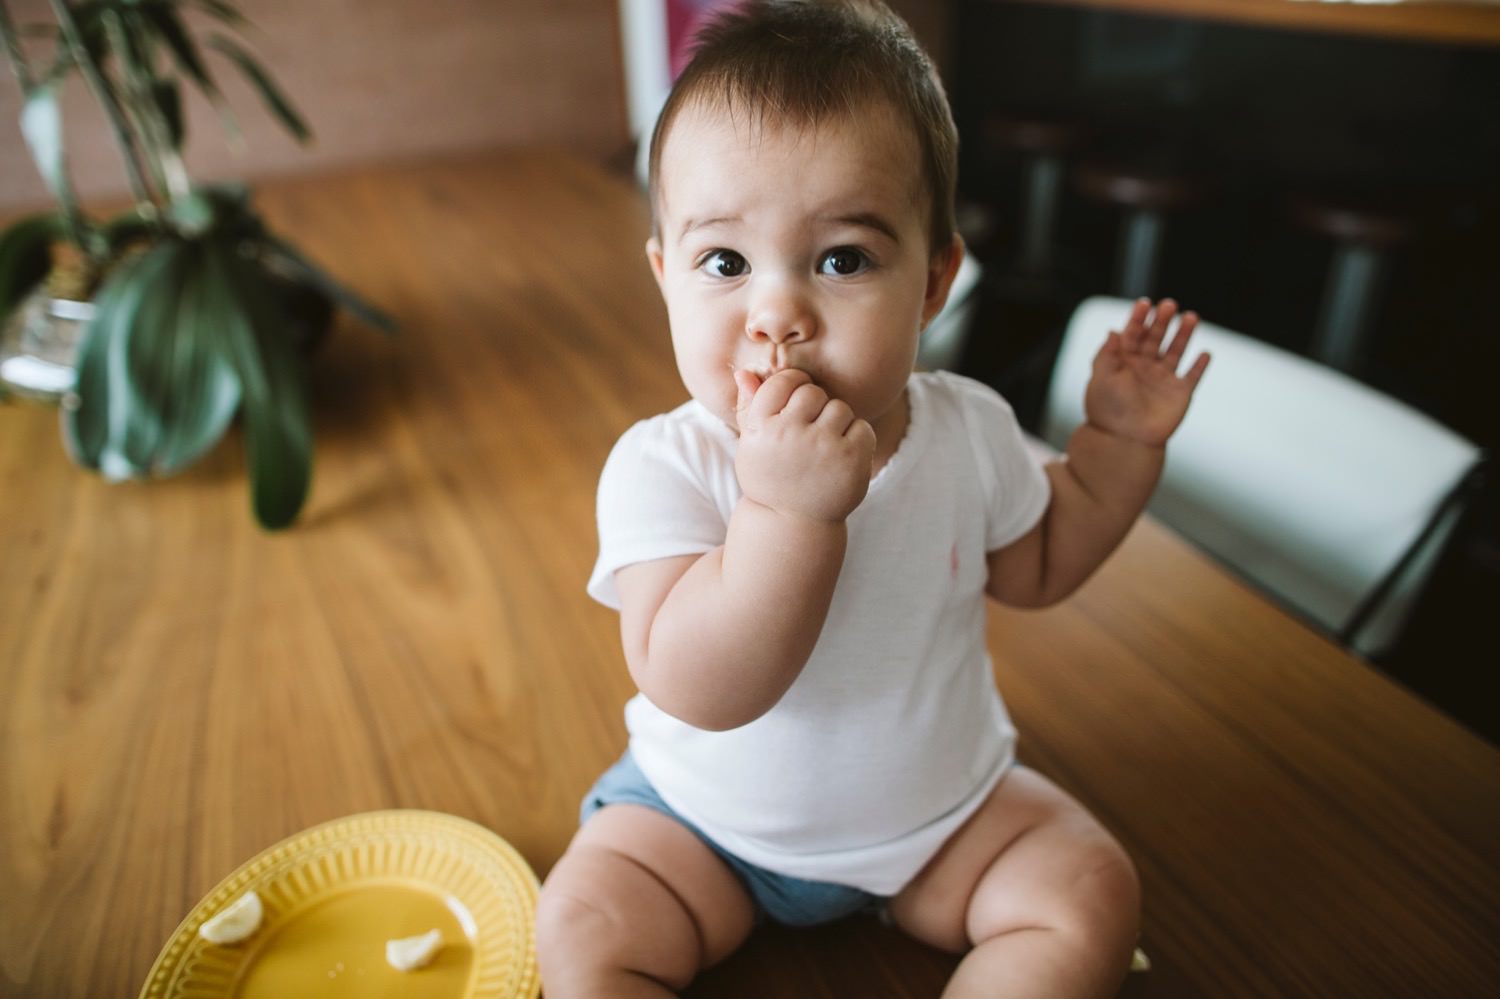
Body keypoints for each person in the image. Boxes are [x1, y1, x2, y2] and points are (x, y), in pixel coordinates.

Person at [535, 2, 1210, 996]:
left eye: (842, 259)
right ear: (666, 276)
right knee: (586, 927)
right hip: (700, 828)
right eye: (724, 261)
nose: (778, 316)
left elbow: (1041, 562)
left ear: (934, 283)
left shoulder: (969, 428)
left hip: (941, 822)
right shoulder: (666, 466)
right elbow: (699, 686)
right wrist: (785, 513)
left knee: (1089, 891)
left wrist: (1117, 446)